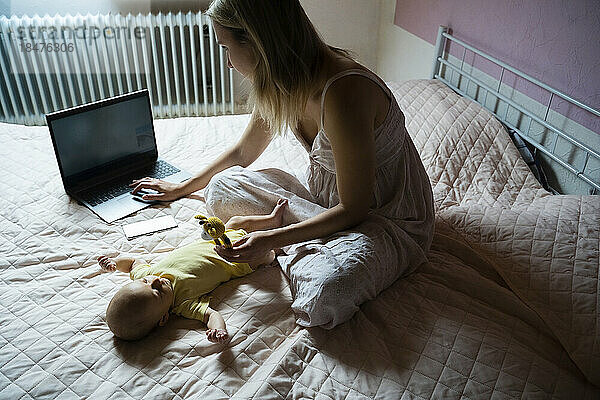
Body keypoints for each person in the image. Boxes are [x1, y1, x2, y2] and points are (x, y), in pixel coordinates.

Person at [130, 0, 434, 329]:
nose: (228, 63)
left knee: (323, 297)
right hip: (323, 203)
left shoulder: (343, 91)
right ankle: (300, 237)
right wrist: (181, 188)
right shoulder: (281, 81)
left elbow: (355, 209)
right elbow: (243, 152)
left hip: (384, 219)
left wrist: (273, 239)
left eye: (225, 47)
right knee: (219, 188)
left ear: (256, 41)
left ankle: (295, 239)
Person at [100, 199, 288, 342]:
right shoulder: (183, 304)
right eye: (157, 292)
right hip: (239, 259)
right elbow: (211, 315)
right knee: (266, 254)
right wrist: (218, 330)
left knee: (235, 222)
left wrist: (115, 262)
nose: (155, 281)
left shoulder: (144, 275)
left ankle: (271, 219)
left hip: (219, 238)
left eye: (145, 282)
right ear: (164, 317)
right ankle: (281, 248)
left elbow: (132, 262)